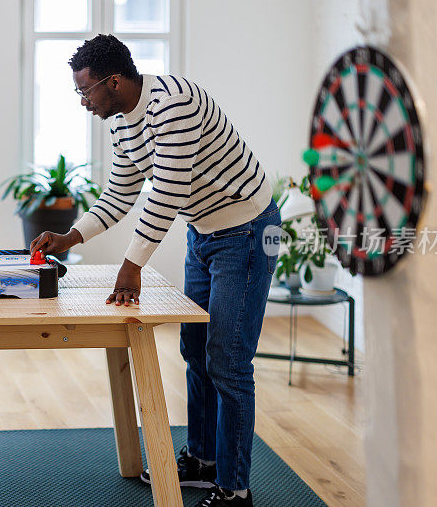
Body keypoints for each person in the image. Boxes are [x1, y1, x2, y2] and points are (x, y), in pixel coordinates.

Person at [29, 34, 280, 507]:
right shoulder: (123, 124)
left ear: (115, 81)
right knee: (194, 347)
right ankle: (204, 459)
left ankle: (235, 489)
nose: (83, 103)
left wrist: (131, 266)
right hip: (203, 233)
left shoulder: (174, 104)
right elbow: (121, 194)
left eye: (85, 92)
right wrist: (71, 236)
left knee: (227, 359)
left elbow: (166, 191)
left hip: (246, 231)